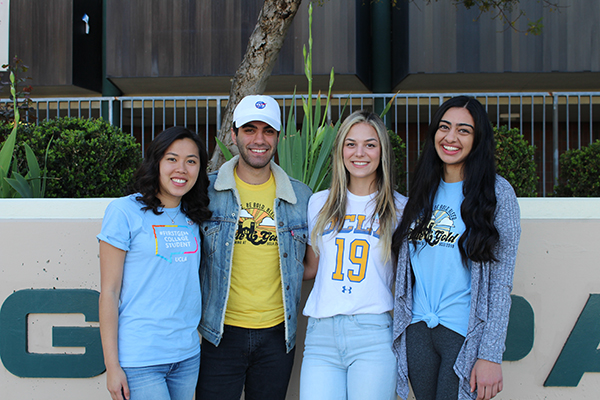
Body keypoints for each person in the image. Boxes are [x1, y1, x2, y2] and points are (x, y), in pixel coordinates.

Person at [391, 96, 521, 400]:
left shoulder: (497, 193)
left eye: (464, 130)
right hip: (418, 329)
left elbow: (501, 283)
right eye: (444, 127)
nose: (450, 138)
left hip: (463, 333)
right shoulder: (423, 189)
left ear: (478, 139)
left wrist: (490, 354)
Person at [196, 95, 312, 400]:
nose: (258, 140)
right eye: (249, 129)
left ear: (278, 137)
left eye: (268, 131)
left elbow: (310, 264)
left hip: (277, 335)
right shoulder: (206, 192)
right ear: (233, 135)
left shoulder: (301, 197)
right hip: (220, 333)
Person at [299, 110, 407, 400]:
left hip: (372, 333)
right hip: (321, 334)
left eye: (370, 144)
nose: (360, 153)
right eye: (350, 143)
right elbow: (312, 267)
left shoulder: (400, 208)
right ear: (340, 150)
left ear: (382, 151)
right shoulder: (318, 203)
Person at [98, 126, 211, 400]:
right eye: (172, 159)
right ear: (156, 162)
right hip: (140, 358)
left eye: (191, 161)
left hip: (186, 356)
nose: (181, 169)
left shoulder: (195, 216)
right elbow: (109, 293)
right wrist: (112, 367)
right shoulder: (124, 212)